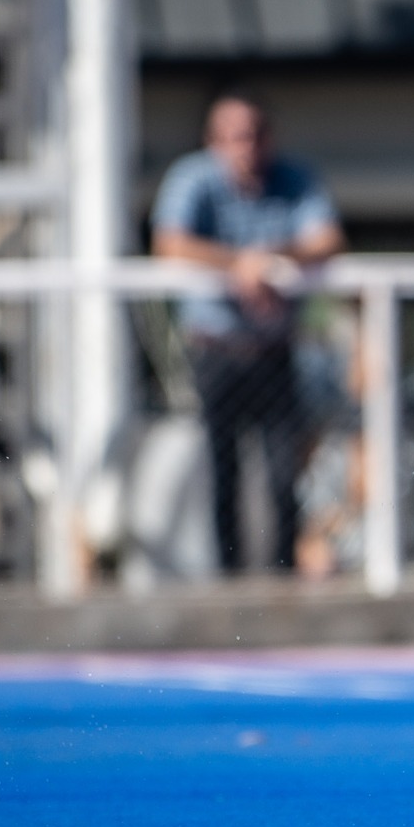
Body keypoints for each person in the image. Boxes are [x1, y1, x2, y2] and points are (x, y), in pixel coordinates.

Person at [152, 92, 345, 573]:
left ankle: (282, 577)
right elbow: (171, 243)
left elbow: (328, 239)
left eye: (256, 135)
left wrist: (271, 260)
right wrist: (238, 264)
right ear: (214, 142)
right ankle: (229, 581)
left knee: (284, 476)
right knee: (223, 473)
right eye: (236, 136)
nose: (247, 146)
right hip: (215, 351)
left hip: (274, 351)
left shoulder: (294, 178)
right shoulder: (193, 178)